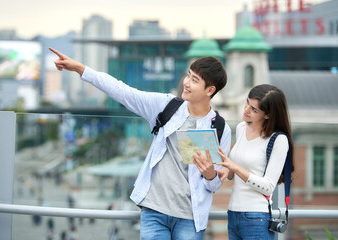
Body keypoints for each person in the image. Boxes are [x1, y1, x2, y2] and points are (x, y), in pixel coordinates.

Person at [50, 47, 232, 240]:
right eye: (188, 75)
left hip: (190, 218)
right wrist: (80, 68)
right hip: (154, 210)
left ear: (210, 90)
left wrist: (210, 174)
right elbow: (123, 92)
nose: (186, 83)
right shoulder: (166, 106)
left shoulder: (220, 129)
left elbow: (213, 186)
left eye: (195, 80)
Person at [194, 84, 294, 240]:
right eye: (247, 103)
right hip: (234, 213)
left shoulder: (278, 140)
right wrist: (225, 171)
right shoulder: (241, 128)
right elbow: (234, 173)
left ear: (267, 115)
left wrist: (235, 167)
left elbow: (268, 187)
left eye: (254, 109)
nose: (246, 110)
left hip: (256, 216)